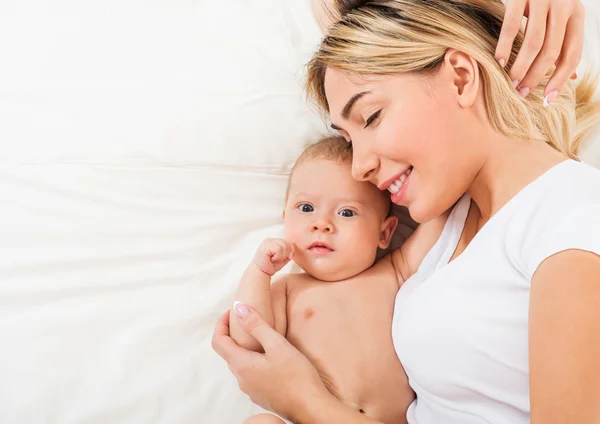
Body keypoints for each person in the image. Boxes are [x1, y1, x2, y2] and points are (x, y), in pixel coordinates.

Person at [213, 1, 600, 423]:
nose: (358, 165)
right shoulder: (451, 223)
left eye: (372, 117)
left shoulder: (572, 216)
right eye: (347, 135)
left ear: (461, 78)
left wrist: (303, 400)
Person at [230, 136, 447, 424]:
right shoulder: (286, 290)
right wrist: (259, 271)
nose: (322, 224)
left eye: (346, 212)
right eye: (306, 208)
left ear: (385, 233)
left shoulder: (395, 272)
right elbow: (249, 343)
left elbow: (442, 216)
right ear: (285, 219)